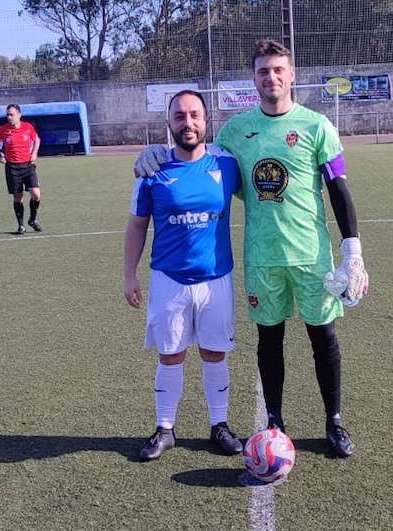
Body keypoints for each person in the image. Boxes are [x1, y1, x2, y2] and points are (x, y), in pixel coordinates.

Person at [135, 38, 369, 458]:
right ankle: (275, 420)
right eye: (263, 71)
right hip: (261, 258)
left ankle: (334, 420)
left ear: (292, 74)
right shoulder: (235, 132)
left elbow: (338, 189)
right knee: (269, 339)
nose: (271, 77)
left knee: (324, 338)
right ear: (254, 78)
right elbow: (196, 158)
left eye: (279, 70)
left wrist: (353, 252)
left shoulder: (317, 126)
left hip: (311, 255)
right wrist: (155, 151)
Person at [125, 90, 244, 461]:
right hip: (169, 281)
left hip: (215, 280)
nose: (187, 122)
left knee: (214, 353)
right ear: (169, 123)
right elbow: (136, 225)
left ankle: (219, 425)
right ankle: (165, 428)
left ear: (207, 121)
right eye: (179, 116)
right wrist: (129, 275)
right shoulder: (152, 170)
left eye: (194, 115)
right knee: (170, 355)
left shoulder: (227, 164)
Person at [0, 104, 43, 235]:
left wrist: (34, 153)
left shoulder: (27, 127)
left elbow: (37, 139)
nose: (9, 117)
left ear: (19, 115)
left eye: (11, 114)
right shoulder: (3, 129)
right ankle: (21, 225)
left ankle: (33, 219)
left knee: (36, 195)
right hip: (13, 167)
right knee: (18, 198)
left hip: (28, 165)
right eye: (7, 115)